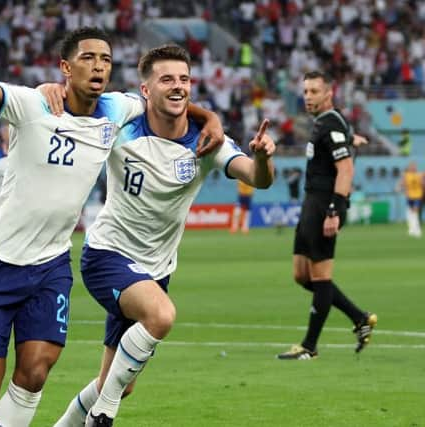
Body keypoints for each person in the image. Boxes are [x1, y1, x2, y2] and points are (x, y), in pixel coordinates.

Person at [0, 10, 223, 427]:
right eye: (88, 58)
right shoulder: (33, 104)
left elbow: (168, 99)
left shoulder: (118, 108)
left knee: (35, 373)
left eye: (106, 59)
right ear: (67, 68)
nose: (99, 66)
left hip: (51, 264)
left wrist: (210, 118)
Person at [50, 45, 275, 426]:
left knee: (118, 381)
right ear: (144, 90)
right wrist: (47, 90)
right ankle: (103, 414)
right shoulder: (121, 122)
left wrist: (264, 157)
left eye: (184, 79)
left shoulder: (207, 141)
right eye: (167, 79)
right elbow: (79, 96)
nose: (178, 87)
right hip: (107, 255)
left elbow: (257, 178)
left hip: (156, 270)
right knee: (162, 316)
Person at [277, 71, 377, 361]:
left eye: (314, 91)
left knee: (321, 277)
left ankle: (309, 346)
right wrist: (351, 138)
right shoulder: (328, 123)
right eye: (305, 91)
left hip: (324, 205)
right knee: (301, 274)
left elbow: (345, 169)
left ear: (328, 94)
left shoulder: (330, 122)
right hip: (312, 203)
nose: (308, 96)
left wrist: (334, 209)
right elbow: (341, 142)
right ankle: (359, 317)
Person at [398, 161, 423, 238]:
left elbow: (422, 183)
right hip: (410, 196)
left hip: (418, 196)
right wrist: (399, 187)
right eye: (411, 167)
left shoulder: (420, 175)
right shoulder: (406, 175)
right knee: (410, 213)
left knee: (415, 212)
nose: (413, 168)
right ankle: (412, 229)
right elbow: (402, 183)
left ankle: (417, 230)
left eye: (414, 166)